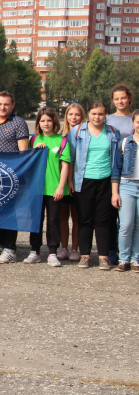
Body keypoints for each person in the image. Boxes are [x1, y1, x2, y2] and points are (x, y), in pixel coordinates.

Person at [68, 100, 121, 270]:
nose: (97, 117)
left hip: (105, 181)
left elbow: (116, 162)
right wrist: (70, 181)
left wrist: (115, 189)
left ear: (105, 115)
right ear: (88, 114)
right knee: (85, 220)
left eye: (100, 114)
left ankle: (103, 257)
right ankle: (85, 256)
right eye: (94, 113)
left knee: (103, 221)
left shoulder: (113, 132)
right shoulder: (77, 132)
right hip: (83, 181)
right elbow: (70, 159)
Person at [0, 91, 29, 263]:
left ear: (13, 105)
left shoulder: (19, 123)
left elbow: (23, 152)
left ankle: (10, 248)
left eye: (6, 104)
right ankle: (0, 243)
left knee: (9, 213)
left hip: (11, 175)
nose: (2, 107)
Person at [25, 107, 70, 267]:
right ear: (38, 123)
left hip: (54, 188)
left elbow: (65, 166)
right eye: (42, 120)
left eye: (49, 120)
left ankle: (52, 252)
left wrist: (61, 187)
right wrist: (35, 151)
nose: (46, 123)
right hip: (36, 188)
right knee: (36, 220)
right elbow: (27, 161)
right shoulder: (33, 140)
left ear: (54, 122)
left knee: (53, 221)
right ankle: (35, 251)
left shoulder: (62, 140)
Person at [106, 84, 133, 265]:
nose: (120, 101)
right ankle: (111, 249)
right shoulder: (108, 119)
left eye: (123, 98)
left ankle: (126, 250)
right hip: (109, 169)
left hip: (129, 171)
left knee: (127, 216)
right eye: (116, 99)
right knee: (110, 213)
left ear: (129, 98)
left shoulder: (134, 118)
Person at [113, 109, 139, 272]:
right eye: (138, 122)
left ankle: (136, 259)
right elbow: (116, 169)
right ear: (133, 123)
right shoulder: (124, 143)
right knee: (126, 224)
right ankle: (123, 258)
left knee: (138, 225)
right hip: (127, 185)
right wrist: (115, 192)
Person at [59, 103, 86, 261]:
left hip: (78, 181)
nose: (73, 118)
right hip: (61, 181)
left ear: (82, 116)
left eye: (77, 115)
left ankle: (75, 249)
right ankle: (64, 247)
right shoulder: (60, 135)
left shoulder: (84, 135)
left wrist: (72, 180)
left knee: (77, 217)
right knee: (63, 216)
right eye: (71, 114)